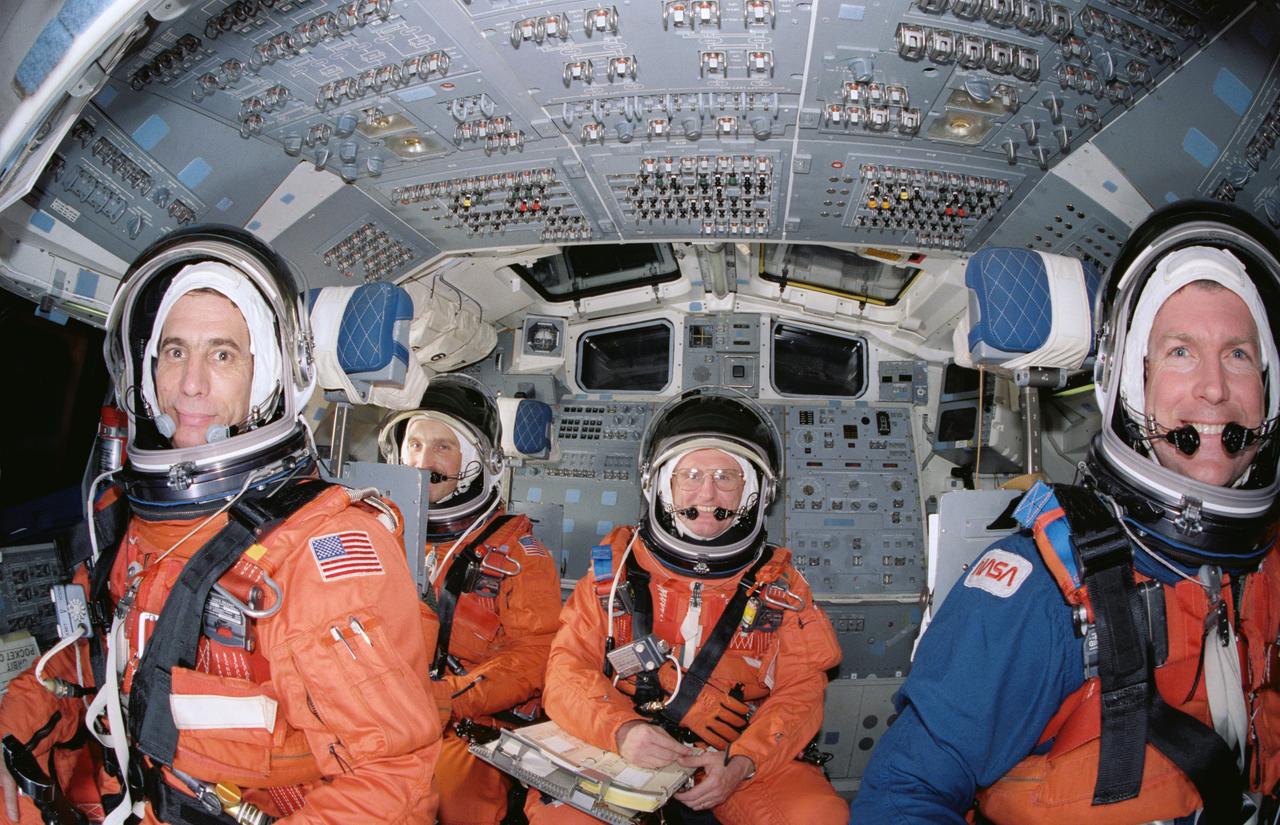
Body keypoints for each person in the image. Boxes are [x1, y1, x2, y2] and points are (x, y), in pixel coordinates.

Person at [849, 201, 1280, 824]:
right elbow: (901, 801)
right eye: (1181, 351)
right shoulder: (1040, 588)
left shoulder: (1264, 567)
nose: (1214, 387)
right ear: (1131, 382)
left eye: (1238, 354)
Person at [0, 226, 441, 825]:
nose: (191, 384)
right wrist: (8, 736)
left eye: (222, 354)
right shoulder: (129, 522)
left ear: (263, 379)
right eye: (175, 351)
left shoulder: (319, 552)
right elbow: (95, 657)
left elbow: (393, 777)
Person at [526, 389, 847, 825]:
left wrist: (742, 762)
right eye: (691, 474)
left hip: (734, 746)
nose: (708, 493)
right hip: (625, 739)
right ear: (662, 484)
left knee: (817, 817)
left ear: (754, 490)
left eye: (726, 476)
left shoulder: (781, 584)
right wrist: (622, 730)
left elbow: (801, 691)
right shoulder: (616, 568)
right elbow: (565, 671)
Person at [377, 376, 561, 825]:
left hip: (465, 719)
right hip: (379, 704)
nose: (421, 461)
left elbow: (533, 657)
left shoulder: (520, 556)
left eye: (442, 447)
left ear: (475, 461)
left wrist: (447, 698)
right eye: (414, 444)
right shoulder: (373, 533)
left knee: (448, 795)